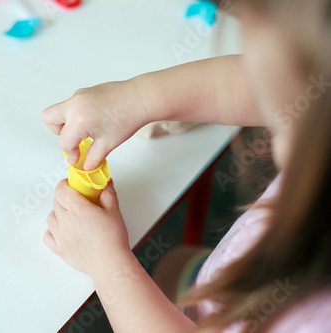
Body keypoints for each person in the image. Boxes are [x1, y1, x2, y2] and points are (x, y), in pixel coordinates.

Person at [41, 0, 331, 331]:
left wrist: (106, 260)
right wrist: (138, 98)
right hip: (229, 279)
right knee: (173, 265)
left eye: (286, 127)